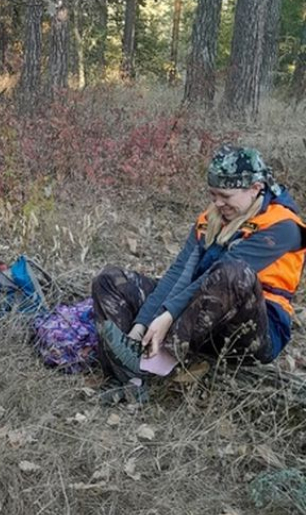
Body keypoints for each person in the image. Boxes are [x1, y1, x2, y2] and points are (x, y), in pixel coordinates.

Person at [92, 144, 306, 403]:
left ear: (255, 188)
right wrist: (141, 324)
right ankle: (127, 379)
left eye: (225, 196)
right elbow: (178, 273)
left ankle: (152, 360)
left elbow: (219, 277)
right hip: (196, 313)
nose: (217, 203)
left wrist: (167, 317)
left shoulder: (282, 226)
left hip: (251, 331)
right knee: (111, 281)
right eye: (213, 194)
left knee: (232, 273)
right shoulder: (210, 217)